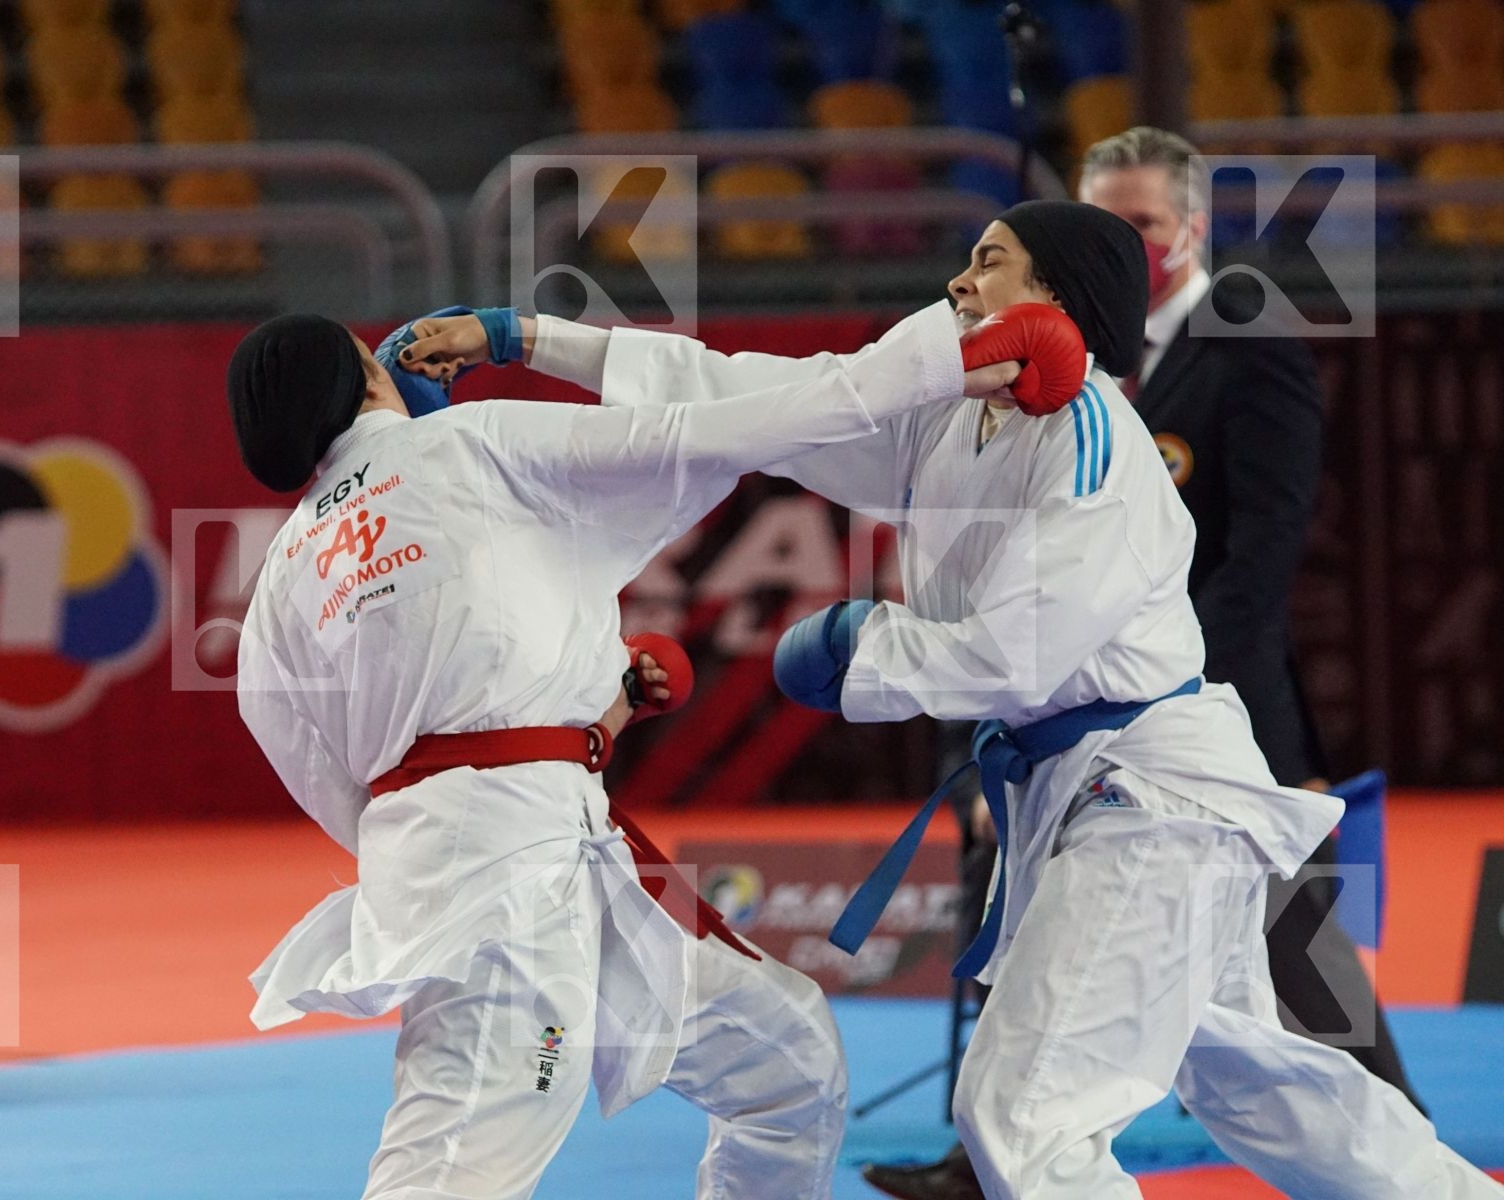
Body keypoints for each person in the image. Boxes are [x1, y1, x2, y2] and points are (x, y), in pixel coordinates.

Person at [467, 199, 1500, 1198]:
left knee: (1020, 1112)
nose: (958, 280)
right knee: (1253, 1088)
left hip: (1153, 799)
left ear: (1054, 301)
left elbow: (1020, 655)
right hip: (1092, 794)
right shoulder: (950, 426)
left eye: (991, 260)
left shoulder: (1094, 446)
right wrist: (532, 339)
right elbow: (745, 397)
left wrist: (865, 648)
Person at [230, 304, 1049, 1198]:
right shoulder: (470, 444)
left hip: (510, 853)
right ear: (371, 373)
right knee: (455, 1165)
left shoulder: (278, 588)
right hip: (509, 886)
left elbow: (341, 777)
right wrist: (941, 367)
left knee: (787, 1062)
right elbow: (720, 425)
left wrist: (591, 721)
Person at [863, 126, 1427, 1200]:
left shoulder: (1249, 341)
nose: (1129, 241)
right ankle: (988, 1154)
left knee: (1288, 960)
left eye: (1148, 224)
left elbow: (1265, 547)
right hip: (1054, 709)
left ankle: (1396, 1128)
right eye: (1107, 223)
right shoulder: (1030, 370)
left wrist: (1155, 689)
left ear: (1195, 226)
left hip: (1202, 697)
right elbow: (987, 572)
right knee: (1043, 931)